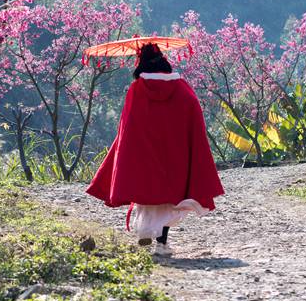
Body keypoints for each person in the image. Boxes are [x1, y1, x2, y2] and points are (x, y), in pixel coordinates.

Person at [86, 42, 224, 256]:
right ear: (164, 63)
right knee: (169, 200)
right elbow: (194, 117)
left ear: (142, 66)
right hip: (174, 156)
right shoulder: (182, 89)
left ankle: (145, 231)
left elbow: (127, 126)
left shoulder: (137, 90)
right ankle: (161, 244)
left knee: (147, 194)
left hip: (144, 155)